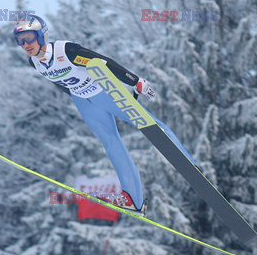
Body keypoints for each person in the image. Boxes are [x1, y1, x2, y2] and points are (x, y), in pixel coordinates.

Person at [14, 15, 198, 214]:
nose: (25, 44)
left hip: (104, 92)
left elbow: (103, 63)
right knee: (111, 144)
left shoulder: (67, 51)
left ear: (41, 35)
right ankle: (133, 200)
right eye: (20, 40)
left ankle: (188, 164)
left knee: (149, 124)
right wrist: (78, 98)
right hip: (84, 102)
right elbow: (60, 82)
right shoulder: (35, 63)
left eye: (29, 37)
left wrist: (134, 81)